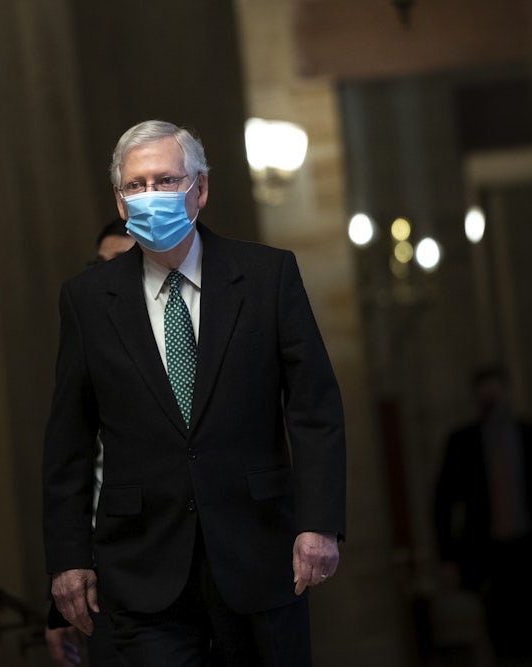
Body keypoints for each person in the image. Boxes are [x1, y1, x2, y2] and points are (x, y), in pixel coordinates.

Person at [42, 120, 346, 666]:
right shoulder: (87, 301)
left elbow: (313, 407)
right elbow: (70, 439)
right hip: (140, 564)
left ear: (199, 189)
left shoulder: (266, 276)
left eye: (165, 180)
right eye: (136, 185)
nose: (150, 195)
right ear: (119, 197)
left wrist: (319, 522)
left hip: (258, 550)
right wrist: (67, 559)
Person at [434, 364, 532, 662]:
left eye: (496, 389)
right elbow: (443, 502)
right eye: (485, 391)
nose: (492, 397)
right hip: (490, 555)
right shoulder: (463, 442)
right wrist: (447, 557)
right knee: (504, 638)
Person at [44, 220, 135, 667]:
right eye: (98, 266)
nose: (105, 280)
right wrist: (60, 594)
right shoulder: (85, 333)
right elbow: (71, 462)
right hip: (108, 579)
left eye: (119, 265)